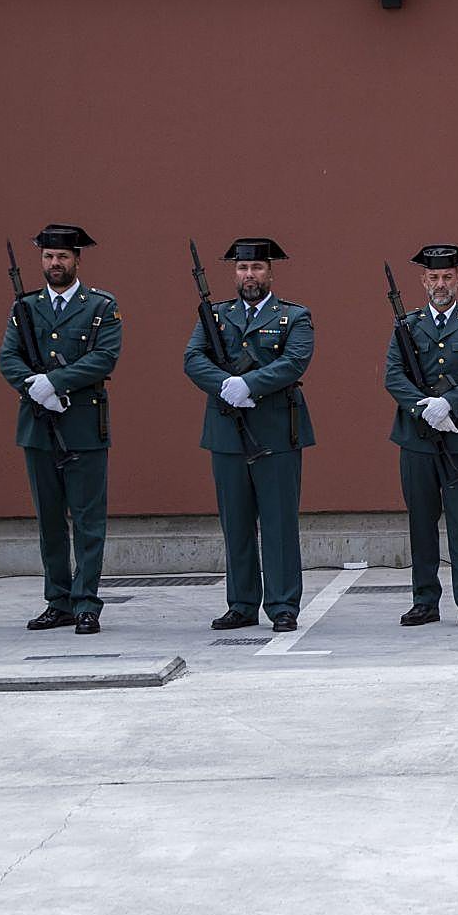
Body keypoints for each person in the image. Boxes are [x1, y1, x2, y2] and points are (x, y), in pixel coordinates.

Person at [184, 238, 315, 632]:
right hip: (227, 433)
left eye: (257, 268)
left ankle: (282, 605)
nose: (249, 275)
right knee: (236, 524)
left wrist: (250, 385)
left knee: (278, 524)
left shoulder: (294, 316)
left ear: (270, 272)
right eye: (243, 269)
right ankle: (241, 604)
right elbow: (193, 357)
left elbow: (294, 362)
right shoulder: (215, 316)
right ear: (234, 273)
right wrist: (226, 384)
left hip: (275, 434)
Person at [0, 224, 122, 635]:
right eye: (49, 257)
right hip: (37, 426)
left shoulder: (100, 305)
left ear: (77, 260)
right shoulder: (26, 307)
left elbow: (105, 357)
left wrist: (58, 381)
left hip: (83, 425)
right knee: (49, 520)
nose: (55, 263)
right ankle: (59, 600)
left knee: (88, 520)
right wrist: (34, 387)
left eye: (63, 257)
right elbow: (8, 357)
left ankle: (87, 602)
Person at [385, 244, 458, 629]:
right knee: (421, 521)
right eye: (434, 277)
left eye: (447, 276)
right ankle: (425, 600)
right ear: (423, 281)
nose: (440, 284)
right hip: (416, 438)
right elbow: (394, 376)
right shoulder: (407, 326)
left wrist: (448, 404)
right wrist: (423, 407)